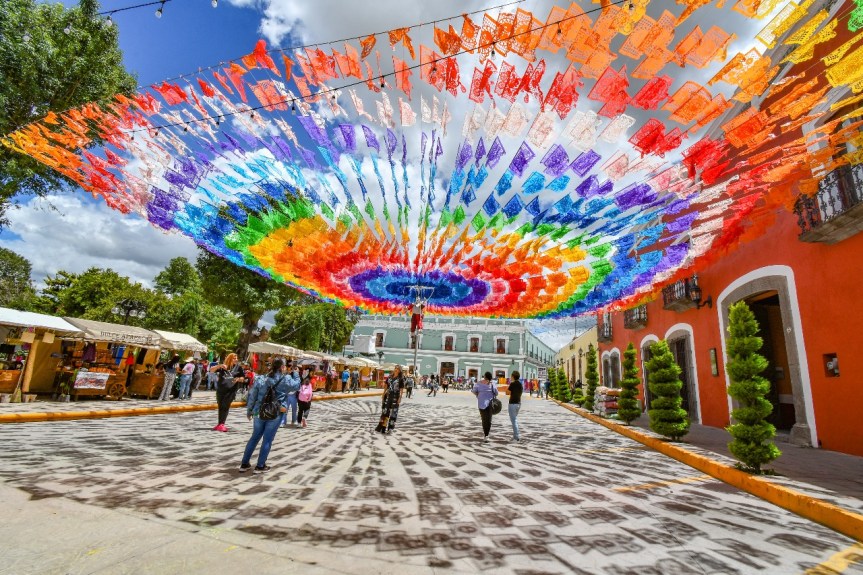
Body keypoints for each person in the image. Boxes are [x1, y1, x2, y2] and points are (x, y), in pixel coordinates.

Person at [239, 358, 290, 473]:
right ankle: (260, 466)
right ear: (282, 367)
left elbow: (252, 395)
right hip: (275, 413)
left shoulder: (261, 378)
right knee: (267, 439)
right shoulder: (285, 379)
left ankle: (244, 464)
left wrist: (249, 411)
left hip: (258, 411)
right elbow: (296, 386)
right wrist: (295, 373)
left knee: (254, 437)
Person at [210, 353, 246, 432]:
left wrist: (238, 379)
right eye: (234, 358)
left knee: (225, 405)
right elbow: (211, 370)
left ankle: (222, 423)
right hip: (220, 389)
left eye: (236, 358)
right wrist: (219, 366)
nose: (236, 359)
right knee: (220, 406)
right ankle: (219, 424)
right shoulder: (223, 366)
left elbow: (243, 378)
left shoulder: (238, 368)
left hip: (231, 390)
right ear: (229, 358)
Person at [376, 365, 406, 434]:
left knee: (393, 413)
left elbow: (401, 389)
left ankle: (390, 428)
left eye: (398, 369)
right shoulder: (389, 377)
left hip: (396, 396)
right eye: (395, 368)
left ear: (400, 371)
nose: (396, 370)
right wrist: (383, 394)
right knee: (385, 412)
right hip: (388, 396)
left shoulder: (401, 379)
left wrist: (400, 398)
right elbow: (386, 386)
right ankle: (382, 427)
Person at [472, 372, 499, 443]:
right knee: (489, 420)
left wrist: (478, 395)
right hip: (490, 404)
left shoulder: (478, 383)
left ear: (484, 377)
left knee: (484, 419)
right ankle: (487, 435)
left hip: (481, 404)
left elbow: (474, 391)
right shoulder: (492, 384)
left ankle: (485, 434)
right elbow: (496, 393)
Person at [281, 363, 300, 428]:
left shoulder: (293, 375)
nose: (290, 369)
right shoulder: (287, 375)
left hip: (293, 395)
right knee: (285, 409)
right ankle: (283, 422)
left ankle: (293, 421)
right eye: (289, 367)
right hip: (288, 395)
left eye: (291, 368)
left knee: (294, 409)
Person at [508, 371, 523, 442]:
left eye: (511, 376)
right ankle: (515, 436)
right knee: (514, 419)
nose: (510, 377)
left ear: (513, 376)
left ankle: (516, 437)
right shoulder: (520, 384)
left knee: (514, 420)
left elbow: (507, 392)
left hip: (512, 403)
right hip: (518, 403)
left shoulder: (512, 384)